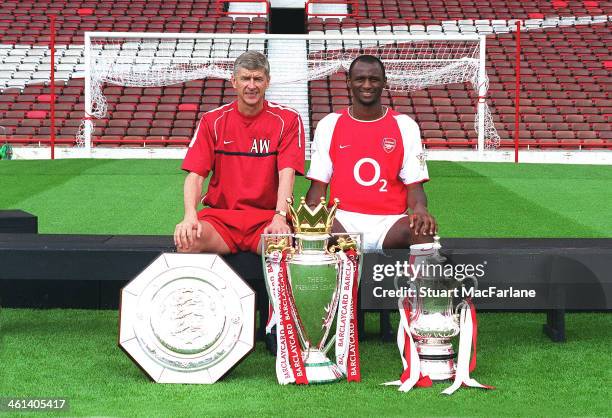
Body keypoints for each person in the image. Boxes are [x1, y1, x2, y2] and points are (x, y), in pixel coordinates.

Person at [175, 51, 305, 254]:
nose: (251, 85)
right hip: (221, 219)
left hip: (266, 218)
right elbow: (196, 176)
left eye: (258, 79)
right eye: (245, 78)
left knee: (281, 246)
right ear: (234, 82)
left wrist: (280, 216)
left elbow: (286, 174)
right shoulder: (213, 120)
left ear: (267, 82)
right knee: (188, 241)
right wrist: (190, 215)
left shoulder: (287, 119)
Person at [305, 55, 437, 250]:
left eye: (374, 79)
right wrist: (313, 213)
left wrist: (420, 209)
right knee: (311, 228)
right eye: (360, 79)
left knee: (422, 231)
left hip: (390, 222)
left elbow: (415, 187)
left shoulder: (405, 126)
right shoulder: (329, 124)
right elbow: (318, 186)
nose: (367, 85)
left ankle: (423, 282)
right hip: (342, 221)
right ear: (349, 82)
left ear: (384, 82)